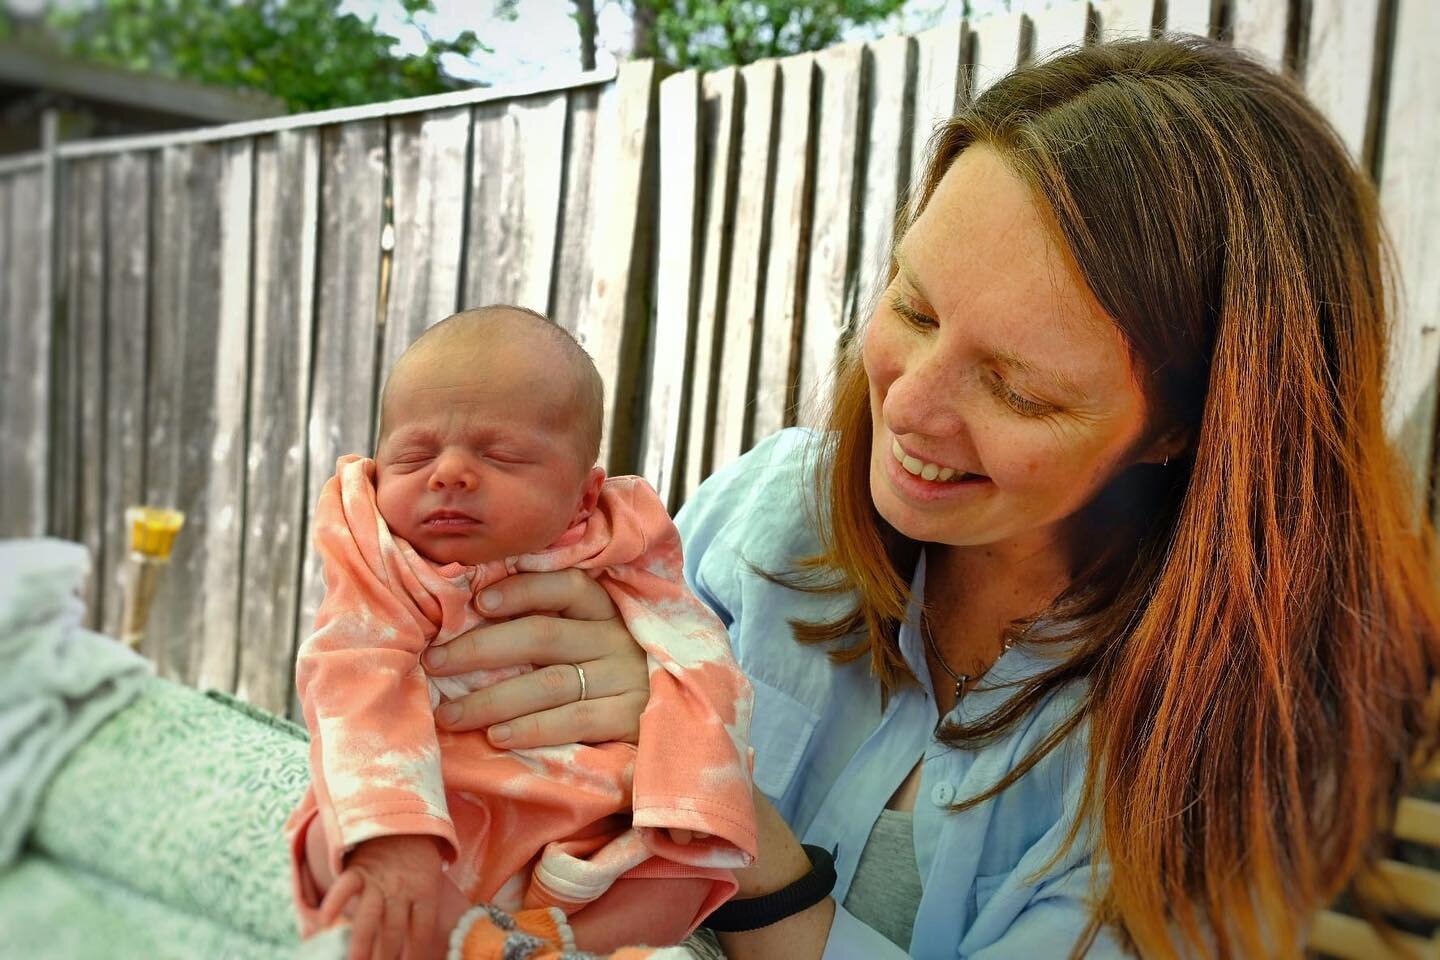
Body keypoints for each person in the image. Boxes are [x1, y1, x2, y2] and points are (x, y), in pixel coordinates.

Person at [424, 37, 1440, 959]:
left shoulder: (1240, 740)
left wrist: (731, 832)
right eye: (913, 306)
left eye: (1016, 388)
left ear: (1184, 432)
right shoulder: (776, 511)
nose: (908, 405)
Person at [286, 305, 757, 960]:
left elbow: (698, 660)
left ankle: (550, 946)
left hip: (595, 819)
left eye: (501, 456)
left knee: (684, 875)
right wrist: (394, 839)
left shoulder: (619, 544)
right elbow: (353, 674)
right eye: (413, 455)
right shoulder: (382, 555)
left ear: (585, 497)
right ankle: (466, 936)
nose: (447, 472)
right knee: (333, 845)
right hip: (441, 808)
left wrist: (686, 795)